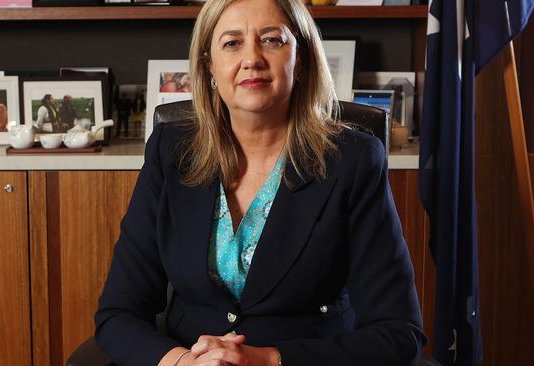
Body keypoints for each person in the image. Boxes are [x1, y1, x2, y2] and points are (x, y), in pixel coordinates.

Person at [95, 0, 425, 364]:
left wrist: (267, 359)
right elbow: (118, 313)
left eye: (272, 39)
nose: (251, 58)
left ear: (300, 60)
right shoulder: (170, 151)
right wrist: (181, 362)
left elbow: (398, 332)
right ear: (209, 66)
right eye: (232, 43)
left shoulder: (353, 160)